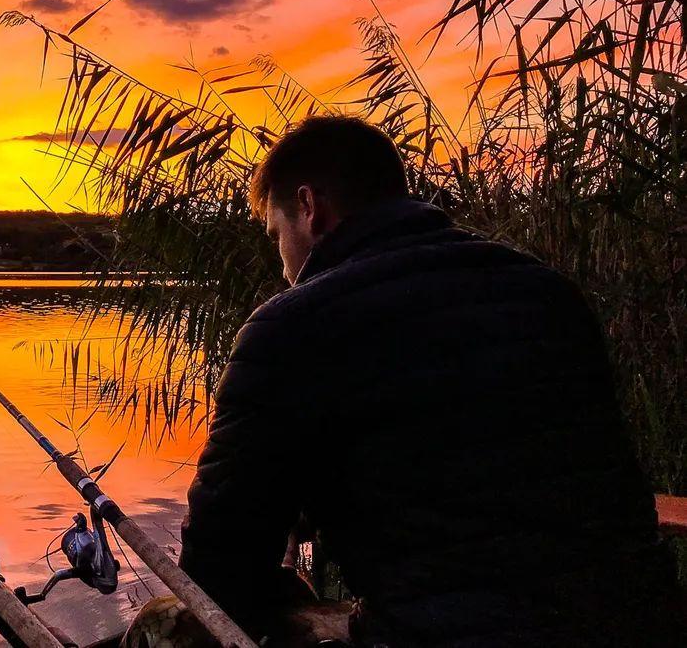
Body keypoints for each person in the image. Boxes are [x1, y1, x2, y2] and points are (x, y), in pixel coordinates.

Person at [170, 116, 684, 647]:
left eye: (277, 238)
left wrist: (289, 589)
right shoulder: (549, 293)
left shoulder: (290, 327)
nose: (282, 268)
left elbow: (215, 572)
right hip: (642, 626)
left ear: (309, 207)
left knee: (172, 625)